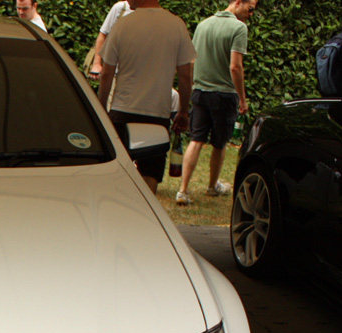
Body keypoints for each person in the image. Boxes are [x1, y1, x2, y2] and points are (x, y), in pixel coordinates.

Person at [98, 0, 195, 194]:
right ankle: (144, 215)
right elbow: (185, 75)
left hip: (122, 110)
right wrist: (183, 111)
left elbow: (107, 73)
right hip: (157, 113)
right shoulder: (176, 25)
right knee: (151, 172)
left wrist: (101, 109)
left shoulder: (123, 25)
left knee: (119, 170)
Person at [176, 0, 257, 206]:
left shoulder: (203, 25)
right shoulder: (239, 28)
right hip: (224, 94)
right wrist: (242, 98)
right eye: (250, 9)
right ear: (238, 3)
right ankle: (212, 186)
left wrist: (194, 85)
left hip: (200, 92)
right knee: (219, 143)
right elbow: (235, 67)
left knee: (196, 139)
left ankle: (183, 190)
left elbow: (192, 60)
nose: (251, 14)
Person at [88, 0, 130, 80]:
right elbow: (103, 35)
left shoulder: (151, 15)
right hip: (115, 74)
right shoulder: (121, 8)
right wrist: (96, 64)